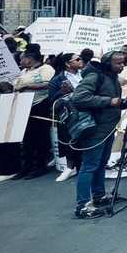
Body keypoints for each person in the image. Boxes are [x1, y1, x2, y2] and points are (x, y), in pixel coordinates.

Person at [69, 51, 127, 219]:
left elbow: (112, 101)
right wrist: (109, 101)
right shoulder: (95, 76)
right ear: (108, 63)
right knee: (89, 166)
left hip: (107, 128)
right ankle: (83, 205)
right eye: (118, 63)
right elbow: (79, 98)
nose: (122, 66)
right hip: (95, 129)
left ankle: (99, 196)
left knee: (101, 163)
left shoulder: (110, 76)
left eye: (123, 63)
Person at [15, 47, 56, 179]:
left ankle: (40, 166)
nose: (21, 61)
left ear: (30, 59)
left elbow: (47, 84)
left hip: (39, 105)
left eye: (23, 58)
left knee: (40, 137)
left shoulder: (46, 69)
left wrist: (27, 87)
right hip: (23, 105)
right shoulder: (23, 71)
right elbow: (16, 84)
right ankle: (27, 166)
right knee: (27, 139)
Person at [47, 53, 84, 182]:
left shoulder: (85, 74)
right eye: (77, 59)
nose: (81, 60)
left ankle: (83, 168)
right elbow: (51, 101)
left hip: (87, 111)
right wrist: (61, 92)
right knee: (70, 141)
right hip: (69, 115)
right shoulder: (57, 80)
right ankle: (70, 167)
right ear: (68, 64)